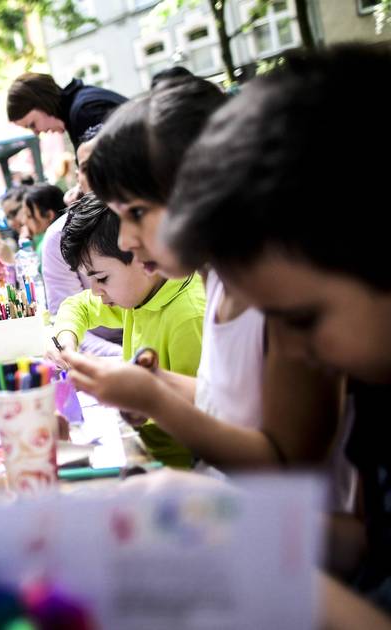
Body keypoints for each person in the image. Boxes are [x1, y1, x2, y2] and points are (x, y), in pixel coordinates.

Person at [157, 45, 391, 620]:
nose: (291, 349)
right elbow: (367, 546)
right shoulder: (375, 387)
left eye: (303, 318)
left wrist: (253, 550)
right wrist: (227, 521)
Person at [63, 76, 345, 483]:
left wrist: (155, 399)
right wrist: (157, 382)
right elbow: (226, 403)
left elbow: (285, 468)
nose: (124, 240)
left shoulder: (281, 304)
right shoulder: (219, 282)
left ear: (201, 192)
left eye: (136, 213)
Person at [50, 195, 205, 469]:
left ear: (140, 255)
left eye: (102, 278)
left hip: (181, 467)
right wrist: (67, 342)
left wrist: (135, 397)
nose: (97, 291)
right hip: (143, 449)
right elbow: (78, 306)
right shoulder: (141, 294)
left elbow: (202, 415)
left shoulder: (188, 316)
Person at [41, 129, 123, 358]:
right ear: (78, 177)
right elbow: (75, 308)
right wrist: (128, 359)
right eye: (89, 168)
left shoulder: (153, 224)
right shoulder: (59, 236)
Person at [7, 72, 127, 149]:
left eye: (32, 124)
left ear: (43, 104)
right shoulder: (80, 105)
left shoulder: (84, 111)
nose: (37, 132)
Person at [20, 183, 66, 275]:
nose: (24, 221)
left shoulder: (48, 244)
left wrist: (26, 246)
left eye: (29, 215)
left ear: (49, 215)